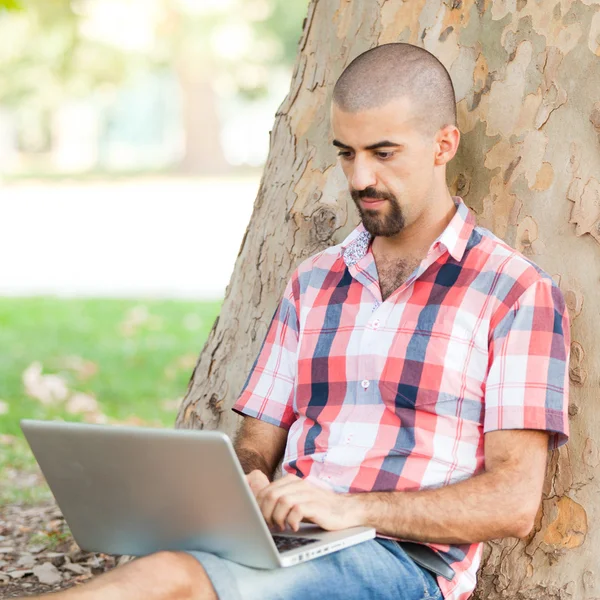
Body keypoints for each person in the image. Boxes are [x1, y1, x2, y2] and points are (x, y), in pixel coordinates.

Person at [29, 43, 569, 600]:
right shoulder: (313, 281)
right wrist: (250, 482)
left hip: (401, 565)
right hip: (285, 539)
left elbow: (513, 501)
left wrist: (347, 508)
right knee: (167, 568)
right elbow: (257, 438)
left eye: (384, 153)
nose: (361, 178)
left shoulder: (515, 292)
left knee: (171, 580)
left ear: (443, 145)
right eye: (347, 153)